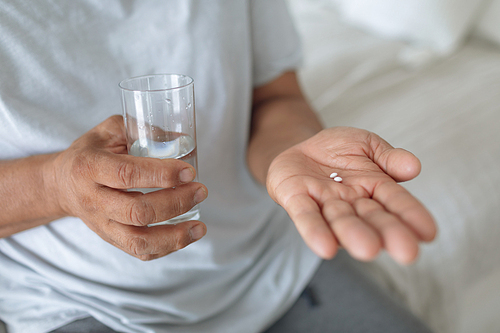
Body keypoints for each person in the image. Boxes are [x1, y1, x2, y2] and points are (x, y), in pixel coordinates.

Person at [0, 1, 436, 332]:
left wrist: (293, 154)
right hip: (80, 299)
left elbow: (275, 97)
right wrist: (55, 186)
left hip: (270, 263)